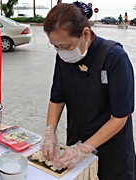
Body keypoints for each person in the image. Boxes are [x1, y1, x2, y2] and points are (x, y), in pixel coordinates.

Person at [41, 1, 135, 180]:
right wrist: (50, 132)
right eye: (56, 47)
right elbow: (57, 99)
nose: (62, 52)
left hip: (112, 148)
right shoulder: (63, 57)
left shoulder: (115, 58)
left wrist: (85, 149)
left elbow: (120, 118)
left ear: (85, 34)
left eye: (66, 46)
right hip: (77, 138)